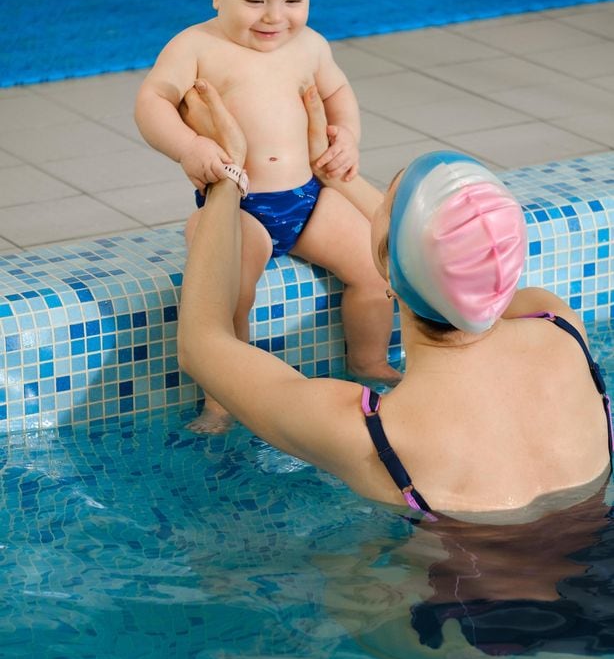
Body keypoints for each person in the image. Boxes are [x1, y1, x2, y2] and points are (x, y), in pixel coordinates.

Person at [176, 78, 612, 523]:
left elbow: (202, 341)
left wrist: (227, 176)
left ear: (389, 274)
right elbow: (463, 265)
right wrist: (340, 183)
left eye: (386, 201)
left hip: (468, 593)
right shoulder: (557, 323)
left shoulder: (369, 431)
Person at [134, 0, 397, 430]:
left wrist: (346, 134)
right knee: (231, 290)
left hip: (308, 199)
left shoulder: (311, 46)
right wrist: (191, 146)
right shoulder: (197, 46)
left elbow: (339, 93)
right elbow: (151, 102)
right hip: (238, 206)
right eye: (255, 1)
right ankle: (224, 397)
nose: (275, 17)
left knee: (376, 267)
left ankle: (367, 360)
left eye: (293, 0)